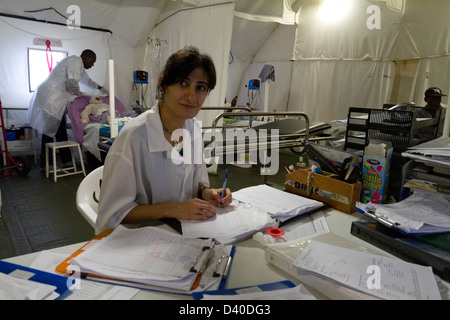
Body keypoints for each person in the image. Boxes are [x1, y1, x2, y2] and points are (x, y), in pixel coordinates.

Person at [96, 46, 232, 234]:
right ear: (162, 85)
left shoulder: (193, 129)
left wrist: (207, 193)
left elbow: (196, 183)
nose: (191, 96)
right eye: (183, 83)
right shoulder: (134, 137)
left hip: (183, 232)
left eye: (200, 87)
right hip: (139, 239)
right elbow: (115, 212)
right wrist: (173, 209)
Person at [28, 49, 107, 170]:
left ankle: (66, 160)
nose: (93, 64)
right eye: (93, 61)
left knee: (60, 130)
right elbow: (72, 82)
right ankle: (46, 164)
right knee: (48, 132)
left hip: (56, 101)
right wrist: (79, 93)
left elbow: (87, 80)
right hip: (50, 99)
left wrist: (101, 88)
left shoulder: (79, 66)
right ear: (86, 57)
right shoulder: (75, 61)